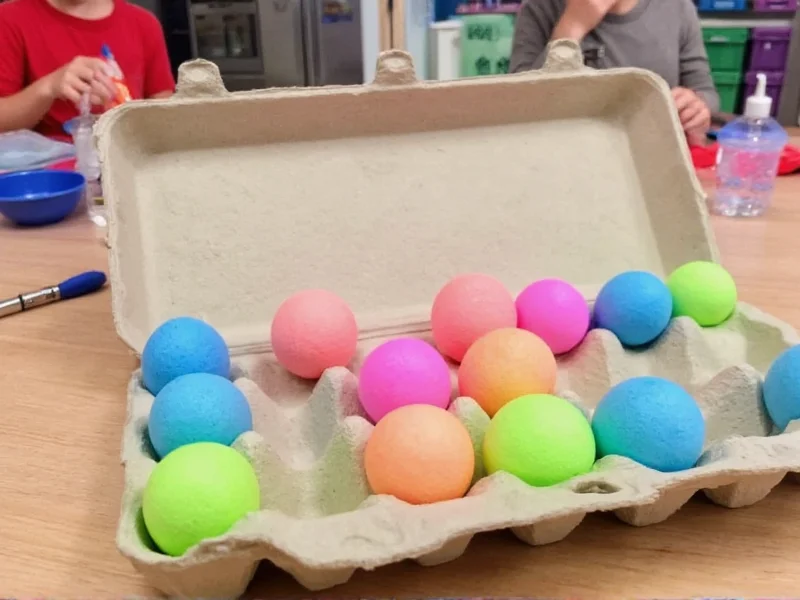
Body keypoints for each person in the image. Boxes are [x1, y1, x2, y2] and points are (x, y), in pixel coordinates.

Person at [509, 0, 719, 145]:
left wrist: (697, 106)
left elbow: (704, 91)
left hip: (651, 159)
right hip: (563, 155)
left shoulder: (677, 8)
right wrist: (571, 28)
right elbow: (519, 105)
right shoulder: (539, 9)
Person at [0, 0, 175, 141]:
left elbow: (166, 118)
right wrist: (49, 87)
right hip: (47, 174)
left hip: (129, 161)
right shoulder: (9, 19)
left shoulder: (144, 24)